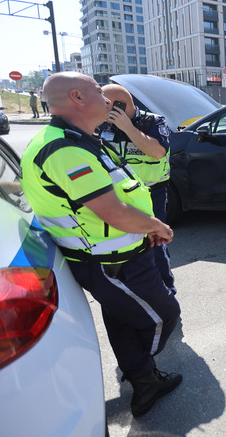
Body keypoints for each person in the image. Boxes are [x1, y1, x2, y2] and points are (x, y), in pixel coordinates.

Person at [19, 72, 182, 418]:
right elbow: (113, 212)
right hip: (112, 262)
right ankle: (141, 370)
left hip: (120, 254)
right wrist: (156, 226)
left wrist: (144, 228)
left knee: (122, 319)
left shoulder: (79, 138)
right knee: (164, 315)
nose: (107, 101)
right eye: (98, 92)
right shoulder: (63, 150)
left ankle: (144, 381)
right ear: (77, 97)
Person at [98, 84, 175, 294]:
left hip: (151, 194)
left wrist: (128, 128)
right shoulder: (102, 125)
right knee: (123, 246)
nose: (100, 110)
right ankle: (135, 291)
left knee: (155, 243)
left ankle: (166, 290)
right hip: (117, 197)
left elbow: (158, 151)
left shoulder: (153, 121)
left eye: (104, 105)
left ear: (120, 105)